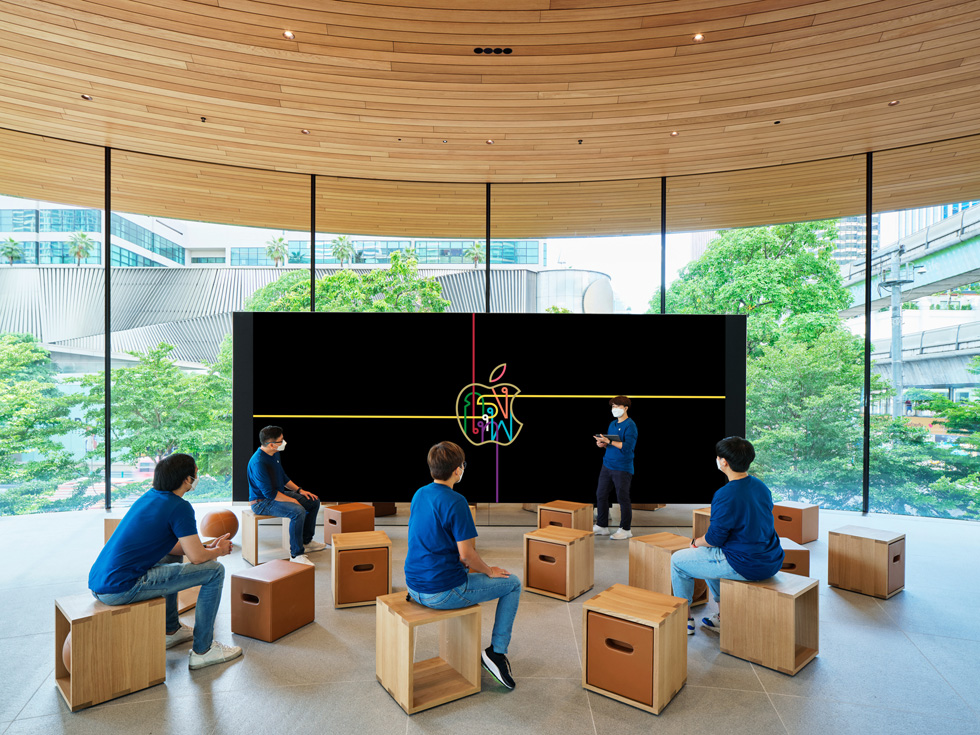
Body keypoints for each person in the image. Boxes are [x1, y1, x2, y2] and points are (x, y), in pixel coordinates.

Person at [89, 453, 242, 670]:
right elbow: (198, 558)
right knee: (215, 571)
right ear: (187, 479)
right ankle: (203, 650)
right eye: (196, 474)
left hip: (101, 582)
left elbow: (175, 547)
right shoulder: (180, 507)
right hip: (122, 588)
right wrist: (218, 552)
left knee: (173, 556)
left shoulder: (149, 497)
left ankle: (171, 629)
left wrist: (208, 548)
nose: (197, 478)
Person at [404, 441, 522, 690]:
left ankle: (495, 653)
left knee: (469, 569)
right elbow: (467, 555)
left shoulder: (419, 494)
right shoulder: (457, 501)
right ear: (458, 470)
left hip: (413, 586)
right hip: (441, 592)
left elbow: (425, 537)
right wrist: (490, 571)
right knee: (512, 583)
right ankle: (496, 653)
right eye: (463, 465)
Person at [670, 436, 783, 635]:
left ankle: (684, 620)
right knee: (711, 554)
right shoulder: (760, 487)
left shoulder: (725, 494)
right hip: (772, 559)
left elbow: (714, 538)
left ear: (724, 462)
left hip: (746, 564)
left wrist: (695, 542)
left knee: (678, 561)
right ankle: (724, 616)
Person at [247, 425, 325, 566]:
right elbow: (269, 494)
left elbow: (282, 477)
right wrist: (293, 501)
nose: (284, 442)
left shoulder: (274, 453)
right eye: (281, 440)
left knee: (313, 501)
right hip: (261, 502)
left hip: (277, 494)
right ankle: (296, 554)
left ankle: (306, 541)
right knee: (297, 511)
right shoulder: (259, 462)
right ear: (271, 444)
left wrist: (300, 490)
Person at [593, 395, 638, 540]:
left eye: (618, 406)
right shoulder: (612, 424)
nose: (615, 409)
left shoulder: (631, 425)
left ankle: (625, 529)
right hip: (607, 464)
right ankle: (602, 526)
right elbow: (611, 443)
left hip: (622, 467)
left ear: (625, 408)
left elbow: (627, 447)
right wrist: (603, 443)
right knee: (601, 495)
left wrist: (609, 441)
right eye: (613, 406)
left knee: (622, 498)